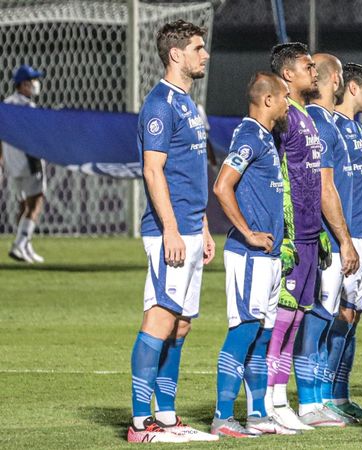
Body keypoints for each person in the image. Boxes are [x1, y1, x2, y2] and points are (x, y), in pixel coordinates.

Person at [127, 20, 217, 444]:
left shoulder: (187, 105)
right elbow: (153, 169)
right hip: (169, 232)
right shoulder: (160, 104)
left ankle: (166, 417)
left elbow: (190, 172)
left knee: (180, 325)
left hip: (189, 228)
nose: (205, 54)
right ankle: (140, 423)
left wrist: (201, 226)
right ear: (176, 54)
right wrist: (171, 230)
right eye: (198, 48)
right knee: (160, 319)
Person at [210, 72, 295, 438]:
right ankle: (222, 416)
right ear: (267, 100)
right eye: (284, 97)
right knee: (243, 331)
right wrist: (246, 232)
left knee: (261, 336)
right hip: (249, 255)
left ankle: (258, 414)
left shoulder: (265, 137)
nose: (288, 104)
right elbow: (221, 185)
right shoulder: (248, 136)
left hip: (269, 256)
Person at [297, 52, 360, 427]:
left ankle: (320, 398)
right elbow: (324, 188)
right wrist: (344, 240)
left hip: (331, 239)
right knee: (318, 318)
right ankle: (309, 401)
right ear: (334, 80)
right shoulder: (319, 123)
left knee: (324, 318)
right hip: (324, 240)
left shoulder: (328, 123)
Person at [265, 41, 323, 432]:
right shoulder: (283, 118)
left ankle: (280, 396)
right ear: (288, 74)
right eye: (306, 66)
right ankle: (270, 399)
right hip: (291, 235)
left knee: (297, 319)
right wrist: (284, 232)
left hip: (309, 234)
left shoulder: (306, 116)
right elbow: (275, 176)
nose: (313, 71)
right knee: (282, 319)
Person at [321, 62, 362, 421]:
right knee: (331, 316)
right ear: (353, 88)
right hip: (340, 238)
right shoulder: (332, 128)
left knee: (353, 316)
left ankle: (340, 396)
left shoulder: (358, 131)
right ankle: (321, 394)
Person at [2, 64, 46, 263]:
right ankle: (19, 244)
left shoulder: (6, 104)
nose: (37, 84)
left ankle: (26, 246)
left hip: (12, 163)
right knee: (36, 202)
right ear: (24, 84)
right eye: (33, 80)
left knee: (23, 204)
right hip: (29, 161)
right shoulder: (28, 108)